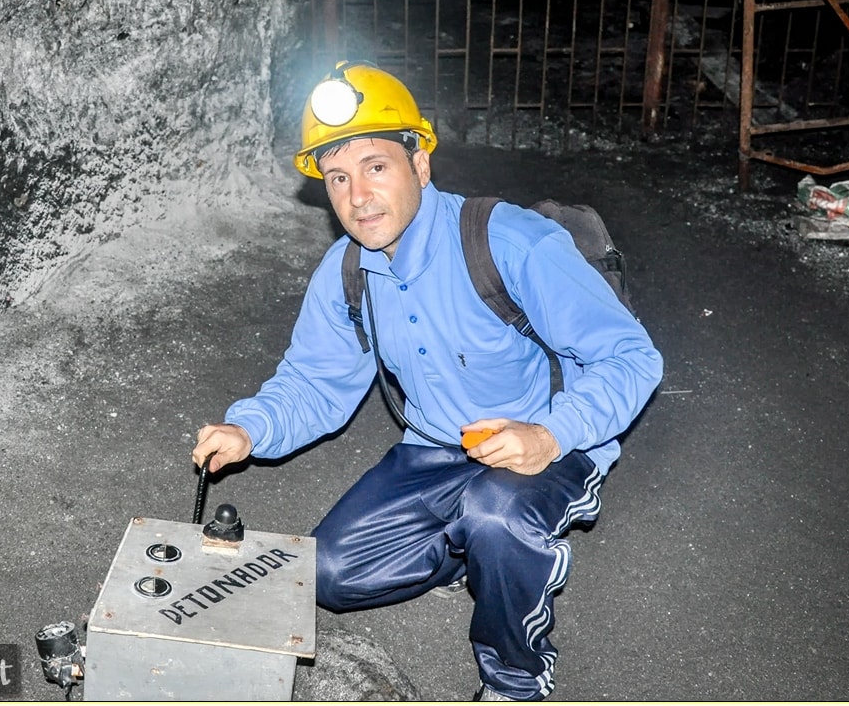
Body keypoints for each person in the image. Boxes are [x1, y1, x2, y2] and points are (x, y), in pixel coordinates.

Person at [193, 61, 663, 702]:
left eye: (376, 167)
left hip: (544, 442)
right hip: (436, 447)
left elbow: (633, 358)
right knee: (327, 573)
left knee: (497, 514)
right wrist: (251, 426)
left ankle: (516, 679)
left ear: (420, 164)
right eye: (337, 178)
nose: (357, 196)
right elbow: (314, 381)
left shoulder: (510, 242)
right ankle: (467, 544)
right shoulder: (345, 272)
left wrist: (552, 436)